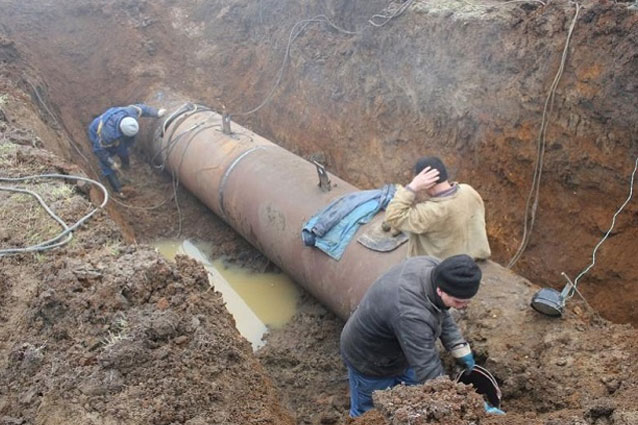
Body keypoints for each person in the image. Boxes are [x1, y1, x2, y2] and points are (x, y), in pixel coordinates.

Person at [341, 254, 494, 417]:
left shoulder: (433, 268)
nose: (463, 307)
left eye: (467, 301)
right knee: (369, 414)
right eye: (458, 302)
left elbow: (440, 309)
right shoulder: (411, 315)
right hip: (370, 359)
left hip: (403, 351)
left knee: (417, 398)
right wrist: (472, 404)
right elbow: (428, 369)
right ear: (440, 290)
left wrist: (458, 346)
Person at [383, 156, 491, 260]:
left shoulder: (431, 211)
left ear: (427, 182)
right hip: (474, 255)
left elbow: (392, 216)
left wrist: (413, 186)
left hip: (444, 266)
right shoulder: (468, 190)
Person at [88, 103, 166, 195]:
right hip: (96, 130)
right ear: (122, 133)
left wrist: (156, 113)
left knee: (122, 150)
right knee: (106, 161)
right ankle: (118, 189)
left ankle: (125, 165)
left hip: (115, 125)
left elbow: (141, 109)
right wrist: (110, 162)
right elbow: (98, 149)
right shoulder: (108, 135)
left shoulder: (131, 113)